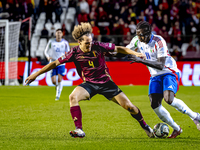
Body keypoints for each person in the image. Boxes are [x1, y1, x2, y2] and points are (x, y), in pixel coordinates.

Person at [25, 22, 154, 138]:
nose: (90, 45)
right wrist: (36, 74)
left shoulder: (98, 46)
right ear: (79, 42)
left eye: (91, 42)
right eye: (87, 43)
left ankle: (145, 126)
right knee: (72, 97)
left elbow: (119, 48)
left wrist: (135, 53)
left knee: (130, 107)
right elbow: (54, 63)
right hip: (89, 84)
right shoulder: (73, 53)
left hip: (106, 83)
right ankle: (79, 129)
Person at [126, 21, 200, 138]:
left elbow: (161, 65)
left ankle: (195, 116)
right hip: (155, 76)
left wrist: (140, 60)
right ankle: (176, 129)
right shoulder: (137, 40)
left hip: (168, 72)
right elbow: (126, 50)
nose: (139, 37)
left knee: (168, 99)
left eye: (142, 35)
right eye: (138, 34)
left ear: (149, 33)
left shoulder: (159, 41)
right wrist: (109, 50)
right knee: (154, 104)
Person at [44, 29, 70, 101]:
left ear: (62, 34)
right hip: (53, 63)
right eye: (57, 33)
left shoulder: (65, 43)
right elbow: (45, 51)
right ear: (55, 34)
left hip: (61, 63)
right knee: (53, 81)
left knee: (59, 79)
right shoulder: (51, 41)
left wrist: (66, 58)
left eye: (60, 33)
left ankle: (57, 95)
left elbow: (68, 52)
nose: (58, 34)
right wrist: (48, 56)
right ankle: (57, 86)